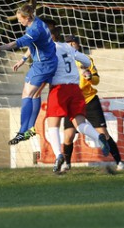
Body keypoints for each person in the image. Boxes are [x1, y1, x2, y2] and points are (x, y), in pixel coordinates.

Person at [24, 26, 110, 173]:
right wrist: (85, 69)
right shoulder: (68, 48)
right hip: (76, 90)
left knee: (53, 124)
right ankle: (98, 136)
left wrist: (35, 90)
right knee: (79, 123)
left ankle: (58, 155)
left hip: (59, 90)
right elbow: (86, 61)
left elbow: (45, 72)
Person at [0, 3, 57, 145]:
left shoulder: (34, 30)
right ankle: (30, 129)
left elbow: (15, 43)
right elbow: (34, 44)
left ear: (27, 17)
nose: (19, 21)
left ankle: (22, 132)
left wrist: (1, 47)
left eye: (20, 19)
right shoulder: (38, 21)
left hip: (42, 66)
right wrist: (22, 59)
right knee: (35, 94)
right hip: (48, 63)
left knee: (26, 95)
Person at [61, 35, 124, 172]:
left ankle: (120, 162)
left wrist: (90, 77)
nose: (71, 45)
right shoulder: (62, 61)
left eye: (73, 43)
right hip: (72, 103)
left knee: (103, 133)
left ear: (78, 45)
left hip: (89, 101)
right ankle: (66, 164)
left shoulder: (86, 60)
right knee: (68, 135)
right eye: (68, 43)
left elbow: (96, 80)